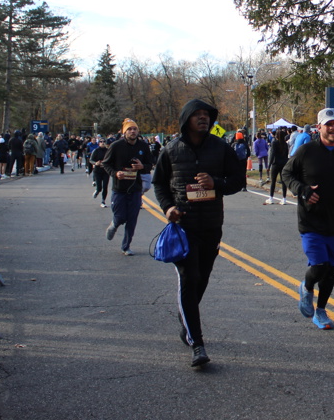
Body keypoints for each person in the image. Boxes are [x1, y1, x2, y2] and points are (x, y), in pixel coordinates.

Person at [153, 99, 245, 367]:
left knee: (202, 278)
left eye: (207, 115)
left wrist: (215, 182)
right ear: (187, 119)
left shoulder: (221, 148)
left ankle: (187, 318)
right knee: (189, 278)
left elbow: (238, 181)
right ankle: (197, 344)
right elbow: (159, 183)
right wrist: (168, 208)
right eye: (198, 115)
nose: (203, 118)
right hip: (184, 227)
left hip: (212, 225)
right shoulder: (171, 150)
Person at [283, 108, 334, 330]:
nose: (332, 128)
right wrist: (303, 190)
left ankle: (321, 311)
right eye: (328, 124)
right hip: (311, 219)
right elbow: (287, 174)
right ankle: (307, 287)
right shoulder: (306, 151)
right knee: (319, 265)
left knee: (330, 269)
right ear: (319, 128)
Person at [103, 119, 152, 256]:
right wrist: (115, 173)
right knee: (120, 217)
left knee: (132, 219)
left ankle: (126, 246)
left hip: (135, 188)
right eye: (129, 129)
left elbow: (150, 164)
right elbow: (106, 163)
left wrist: (142, 167)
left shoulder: (143, 146)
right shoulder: (116, 146)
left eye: (135, 129)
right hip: (119, 188)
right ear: (124, 132)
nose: (132, 131)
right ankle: (114, 224)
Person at [264, 128, 290, 204]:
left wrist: (269, 165)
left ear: (277, 136)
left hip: (275, 163)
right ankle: (284, 198)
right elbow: (286, 155)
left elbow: (272, 154)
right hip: (283, 163)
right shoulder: (285, 144)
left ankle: (271, 198)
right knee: (283, 181)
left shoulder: (274, 143)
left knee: (273, 181)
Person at [90, 138, 110, 207]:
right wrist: (95, 163)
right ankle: (97, 191)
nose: (102, 143)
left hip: (106, 171)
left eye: (104, 141)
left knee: (105, 186)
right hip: (97, 171)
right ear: (99, 143)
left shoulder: (108, 151)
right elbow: (91, 160)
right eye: (101, 142)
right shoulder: (96, 150)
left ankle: (103, 201)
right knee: (99, 187)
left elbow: (112, 160)